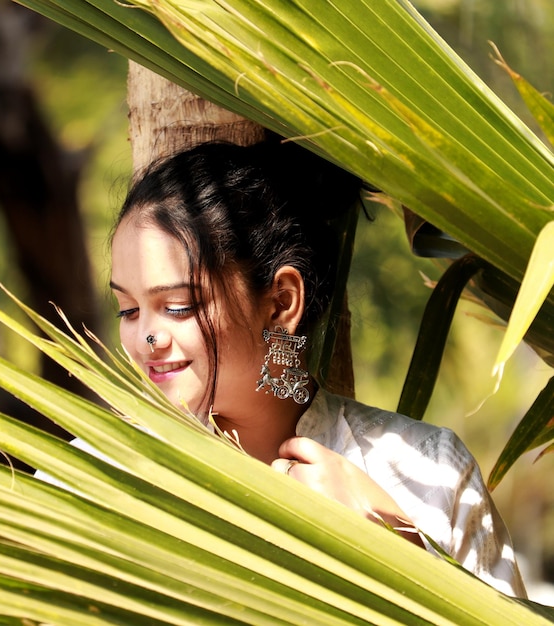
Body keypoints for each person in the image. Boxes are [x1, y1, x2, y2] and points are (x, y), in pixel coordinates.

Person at [108, 138, 526, 597]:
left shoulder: (429, 476)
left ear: (281, 303)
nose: (147, 338)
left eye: (179, 306)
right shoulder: (91, 477)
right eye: (127, 310)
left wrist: (398, 551)